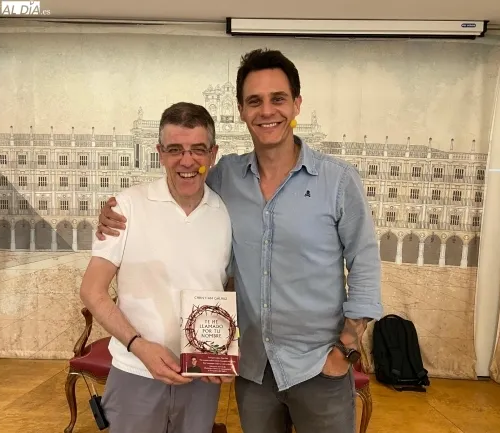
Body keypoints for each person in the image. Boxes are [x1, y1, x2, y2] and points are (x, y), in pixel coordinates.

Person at [96, 49, 383, 433]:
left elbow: (365, 262)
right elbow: (182, 180)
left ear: (296, 104)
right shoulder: (225, 177)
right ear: (242, 110)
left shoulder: (338, 181)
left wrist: (345, 348)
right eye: (255, 101)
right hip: (254, 371)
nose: (267, 111)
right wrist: (116, 209)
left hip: (318, 366)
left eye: (278, 99)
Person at [79, 102, 233, 433]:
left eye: (198, 150)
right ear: (160, 153)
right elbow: (92, 291)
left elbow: (228, 287)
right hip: (136, 370)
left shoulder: (226, 214)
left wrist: (225, 346)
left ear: (213, 154)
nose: (187, 161)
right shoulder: (126, 207)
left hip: (201, 377)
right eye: (175, 149)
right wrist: (138, 345)